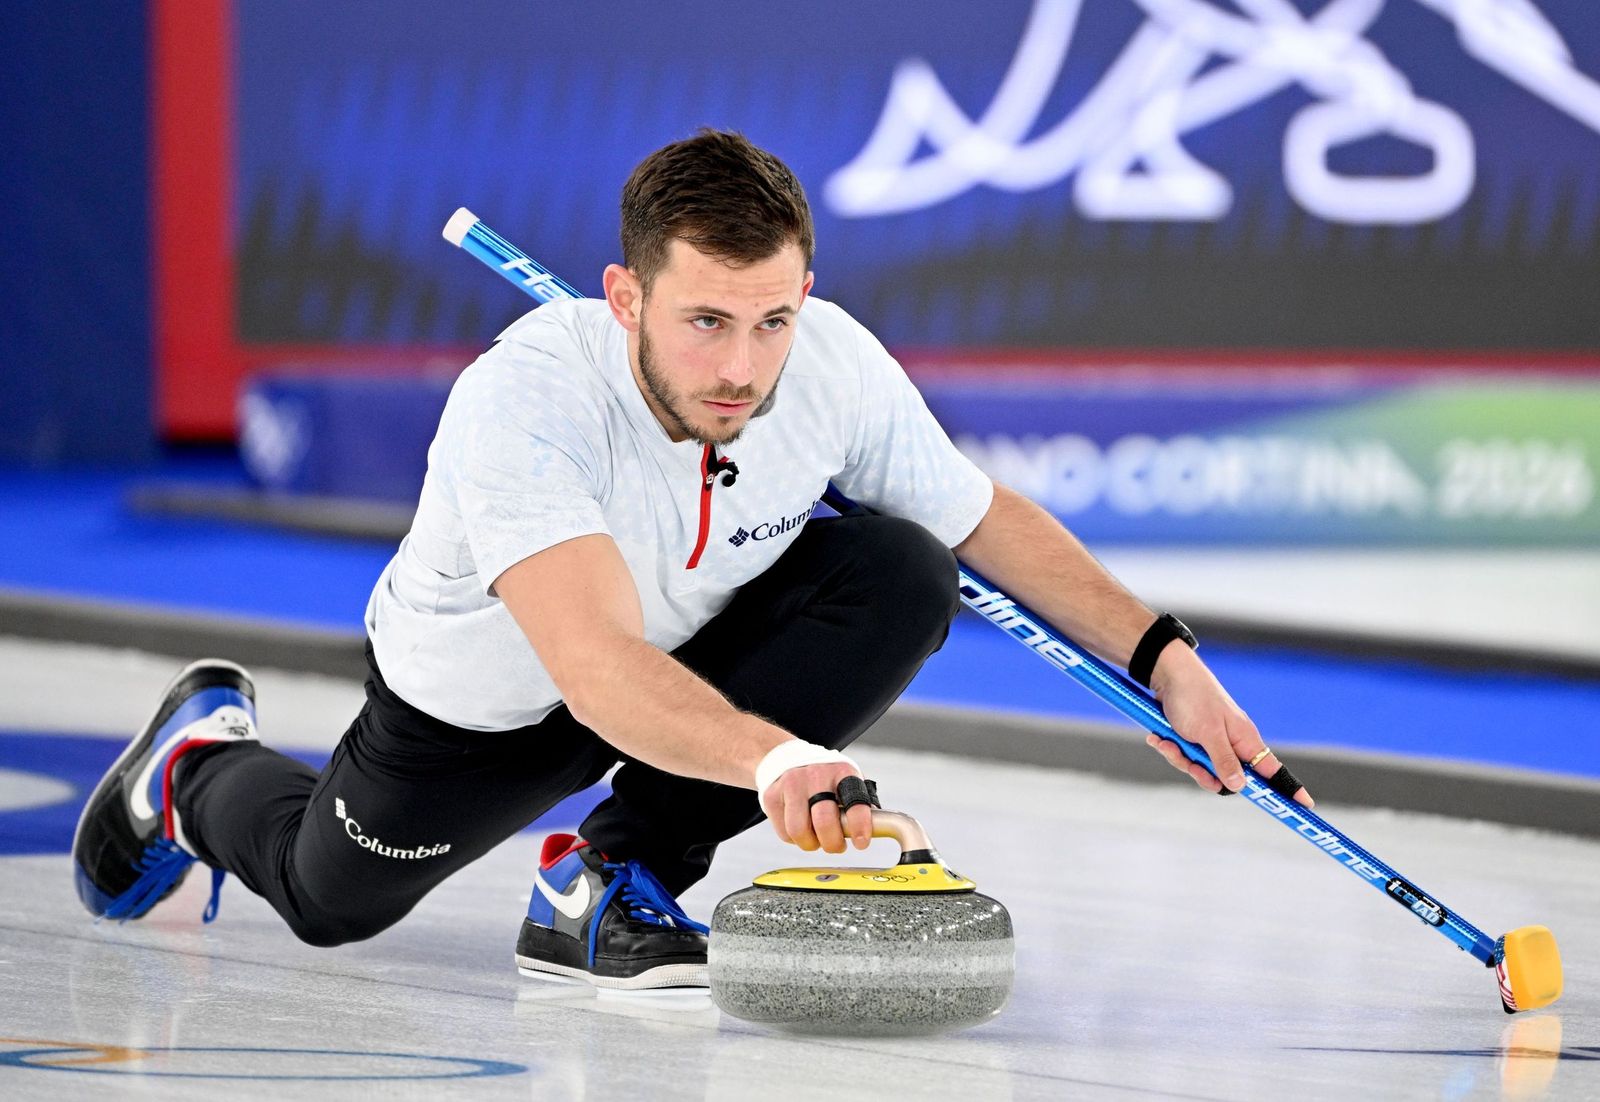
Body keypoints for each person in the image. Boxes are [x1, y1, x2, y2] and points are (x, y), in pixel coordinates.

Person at [73, 129, 1312, 991]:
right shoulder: (526, 401)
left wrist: (1166, 659)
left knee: (902, 568)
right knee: (330, 898)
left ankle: (610, 879)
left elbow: (979, 519)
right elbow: (594, 663)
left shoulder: (828, 363)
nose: (741, 367)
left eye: (772, 319)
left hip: (689, 647)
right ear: (624, 296)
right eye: (705, 320)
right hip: (494, 702)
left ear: (806, 290)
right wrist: (776, 760)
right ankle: (193, 768)